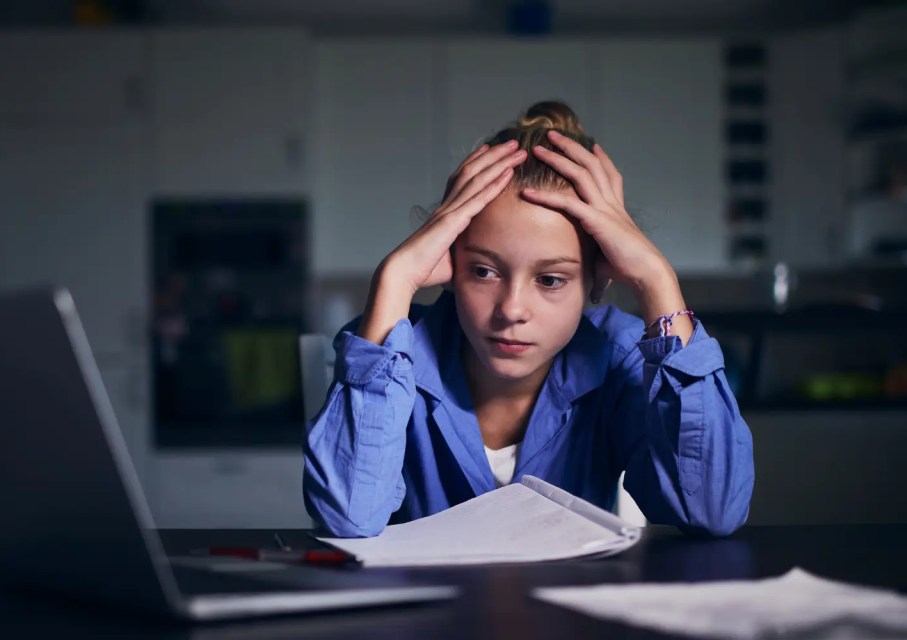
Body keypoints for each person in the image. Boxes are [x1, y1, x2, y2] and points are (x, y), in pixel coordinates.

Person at [303, 101, 754, 538]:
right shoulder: (391, 348)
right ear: (448, 265)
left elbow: (712, 511)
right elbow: (347, 516)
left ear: (597, 280)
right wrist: (397, 277)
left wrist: (657, 279)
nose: (512, 310)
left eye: (551, 279)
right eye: (483, 270)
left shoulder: (619, 357)